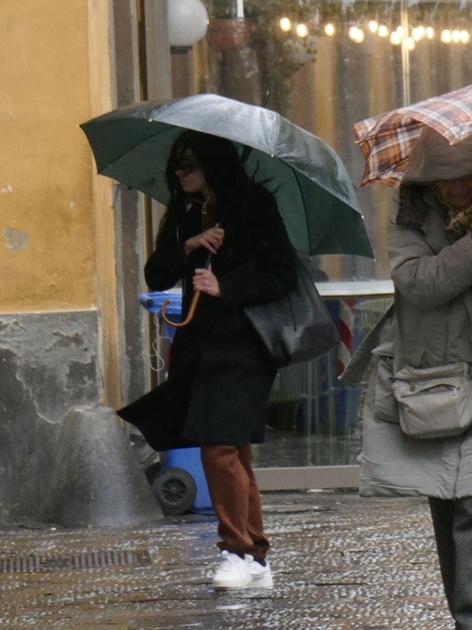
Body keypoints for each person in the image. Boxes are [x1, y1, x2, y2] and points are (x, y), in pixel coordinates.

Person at [343, 174, 472, 630]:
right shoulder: (410, 221)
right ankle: (466, 615)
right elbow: (419, 282)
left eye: (467, 177)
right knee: (446, 502)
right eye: (447, 179)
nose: (457, 187)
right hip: (432, 380)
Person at [118, 130, 298, 589]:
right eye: (176, 167)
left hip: (245, 346)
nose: (180, 175)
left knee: (218, 447)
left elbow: (282, 274)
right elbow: (156, 272)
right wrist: (190, 246)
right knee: (233, 450)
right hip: (200, 345)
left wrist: (227, 287)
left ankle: (236, 551)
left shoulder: (253, 204)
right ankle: (256, 558)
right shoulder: (185, 211)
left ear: (213, 163)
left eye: (189, 165)